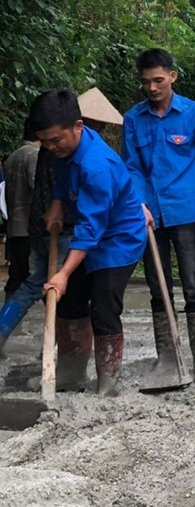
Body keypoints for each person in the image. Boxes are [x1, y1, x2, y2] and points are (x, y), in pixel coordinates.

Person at [30, 89, 146, 396]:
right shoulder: (63, 150)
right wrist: (56, 203)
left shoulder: (97, 166)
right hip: (92, 231)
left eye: (56, 140)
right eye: (45, 141)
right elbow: (61, 176)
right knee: (69, 301)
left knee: (104, 306)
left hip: (119, 238)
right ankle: (69, 375)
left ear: (78, 127)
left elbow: (90, 232)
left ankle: (108, 383)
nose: (51, 147)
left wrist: (63, 273)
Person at [122, 48, 195, 386]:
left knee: (194, 285)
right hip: (150, 214)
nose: (152, 88)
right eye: (146, 82)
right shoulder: (134, 119)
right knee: (156, 284)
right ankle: (166, 357)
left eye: (159, 80)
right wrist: (138, 203)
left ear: (173, 76)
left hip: (188, 211)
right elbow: (132, 167)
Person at [0, 88, 122, 362]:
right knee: (65, 294)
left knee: (34, 285)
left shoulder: (53, 150)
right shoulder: (64, 149)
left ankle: (44, 350)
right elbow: (86, 218)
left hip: (37, 228)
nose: (52, 145)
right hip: (65, 231)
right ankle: (64, 359)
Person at [3, 123, 40, 299]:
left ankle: (6, 323)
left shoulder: (12, 157)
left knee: (16, 279)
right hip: (30, 228)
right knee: (35, 278)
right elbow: (37, 188)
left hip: (14, 228)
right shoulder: (34, 155)